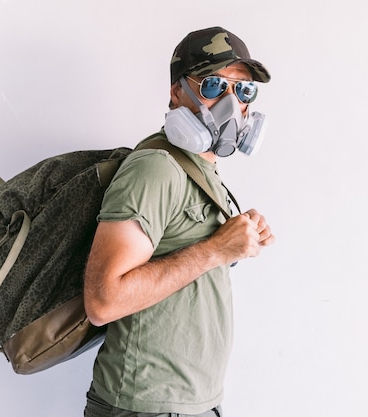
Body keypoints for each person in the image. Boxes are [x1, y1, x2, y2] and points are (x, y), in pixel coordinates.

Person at [83, 26, 275, 417]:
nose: (231, 102)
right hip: (145, 407)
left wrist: (233, 243)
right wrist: (215, 249)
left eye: (242, 90)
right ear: (177, 91)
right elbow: (103, 302)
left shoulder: (201, 170)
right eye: (213, 85)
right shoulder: (155, 168)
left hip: (195, 404)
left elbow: (188, 258)